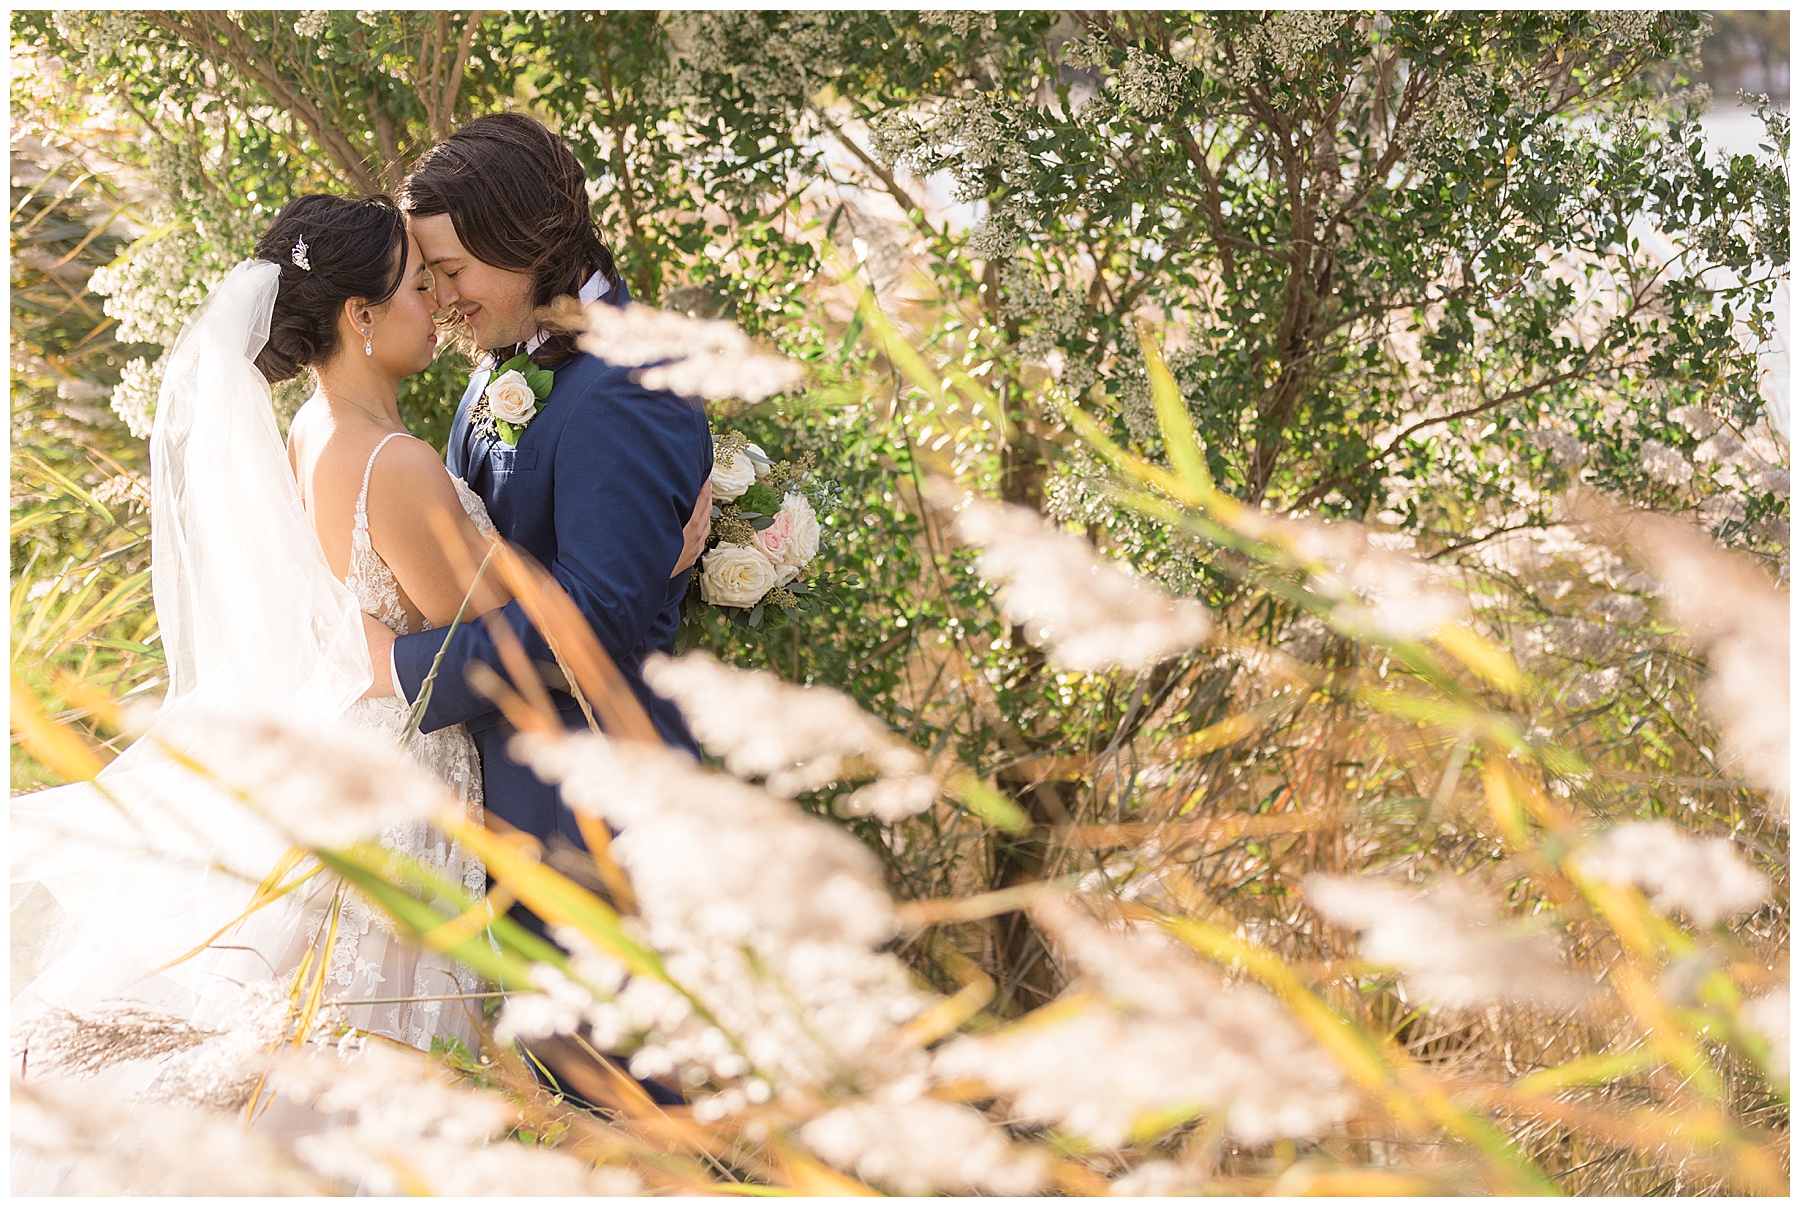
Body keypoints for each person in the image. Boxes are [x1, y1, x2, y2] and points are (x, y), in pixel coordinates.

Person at [10, 191, 710, 1110]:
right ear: (362, 315)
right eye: (420, 286)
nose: (439, 305)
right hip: (414, 773)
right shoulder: (397, 464)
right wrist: (668, 552)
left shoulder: (310, 435)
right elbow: (532, 620)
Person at [363, 113, 715, 896]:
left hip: (589, 822)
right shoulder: (500, 364)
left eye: (451, 270)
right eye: (431, 276)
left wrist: (398, 667)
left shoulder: (628, 384)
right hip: (509, 813)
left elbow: (589, 626)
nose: (443, 300)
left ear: (525, 240)